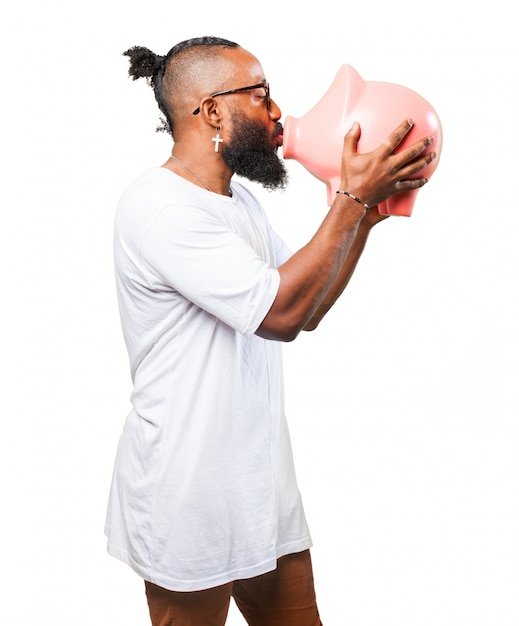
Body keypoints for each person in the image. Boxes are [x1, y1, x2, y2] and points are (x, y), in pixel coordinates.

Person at [105, 36, 436, 626]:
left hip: (260, 487)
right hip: (191, 496)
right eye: (260, 96)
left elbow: (307, 305)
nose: (277, 111)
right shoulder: (160, 207)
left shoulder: (240, 205)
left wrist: (365, 213)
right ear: (210, 110)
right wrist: (353, 198)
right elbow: (278, 316)